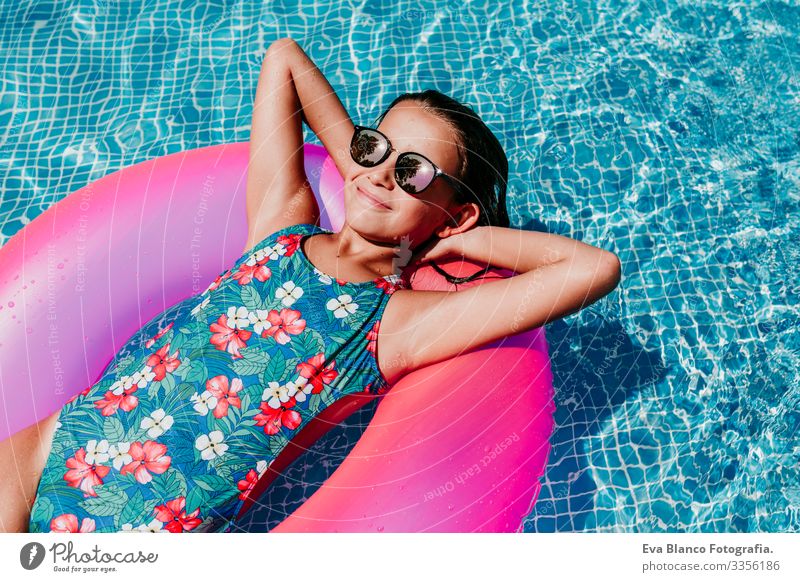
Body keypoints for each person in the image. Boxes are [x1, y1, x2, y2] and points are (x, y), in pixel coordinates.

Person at [1, 37, 620, 533]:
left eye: (412, 172)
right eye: (376, 148)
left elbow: (594, 269)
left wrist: (458, 239)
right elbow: (285, 57)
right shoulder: (280, 225)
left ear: (452, 211)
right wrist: (365, 167)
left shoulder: (395, 325)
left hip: (143, 533)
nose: (382, 174)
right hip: (43, 453)